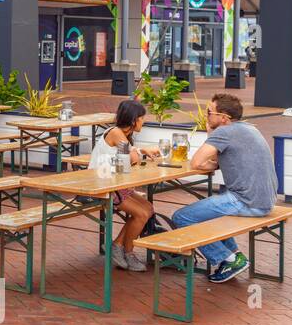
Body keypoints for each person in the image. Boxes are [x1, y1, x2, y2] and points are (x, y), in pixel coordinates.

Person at [174, 93, 276, 283]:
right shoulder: (249, 128)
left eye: (209, 112)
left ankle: (227, 259)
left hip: (247, 201)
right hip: (265, 200)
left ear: (224, 117)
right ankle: (234, 256)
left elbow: (197, 162)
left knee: (183, 217)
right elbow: (215, 162)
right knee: (206, 211)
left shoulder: (225, 132)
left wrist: (210, 135)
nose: (206, 116)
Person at [87, 100, 160, 272]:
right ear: (134, 119)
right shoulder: (116, 133)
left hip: (115, 184)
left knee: (148, 208)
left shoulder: (122, 134)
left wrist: (141, 151)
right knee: (142, 213)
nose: (144, 122)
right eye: (142, 118)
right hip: (102, 186)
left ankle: (118, 245)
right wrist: (139, 152)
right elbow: (131, 159)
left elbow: (128, 155)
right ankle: (128, 252)